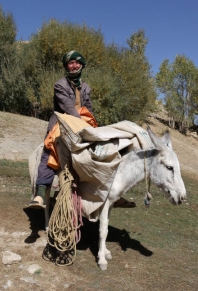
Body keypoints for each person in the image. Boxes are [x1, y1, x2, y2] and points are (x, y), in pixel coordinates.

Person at [28, 50, 135, 209]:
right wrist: (82, 126)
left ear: (81, 65)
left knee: (103, 153)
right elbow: (68, 107)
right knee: (48, 152)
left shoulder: (86, 87)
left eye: (77, 63)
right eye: (71, 63)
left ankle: (112, 194)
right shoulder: (60, 85)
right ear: (66, 66)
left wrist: (93, 127)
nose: (74, 66)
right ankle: (40, 194)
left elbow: (88, 108)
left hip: (83, 123)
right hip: (62, 123)